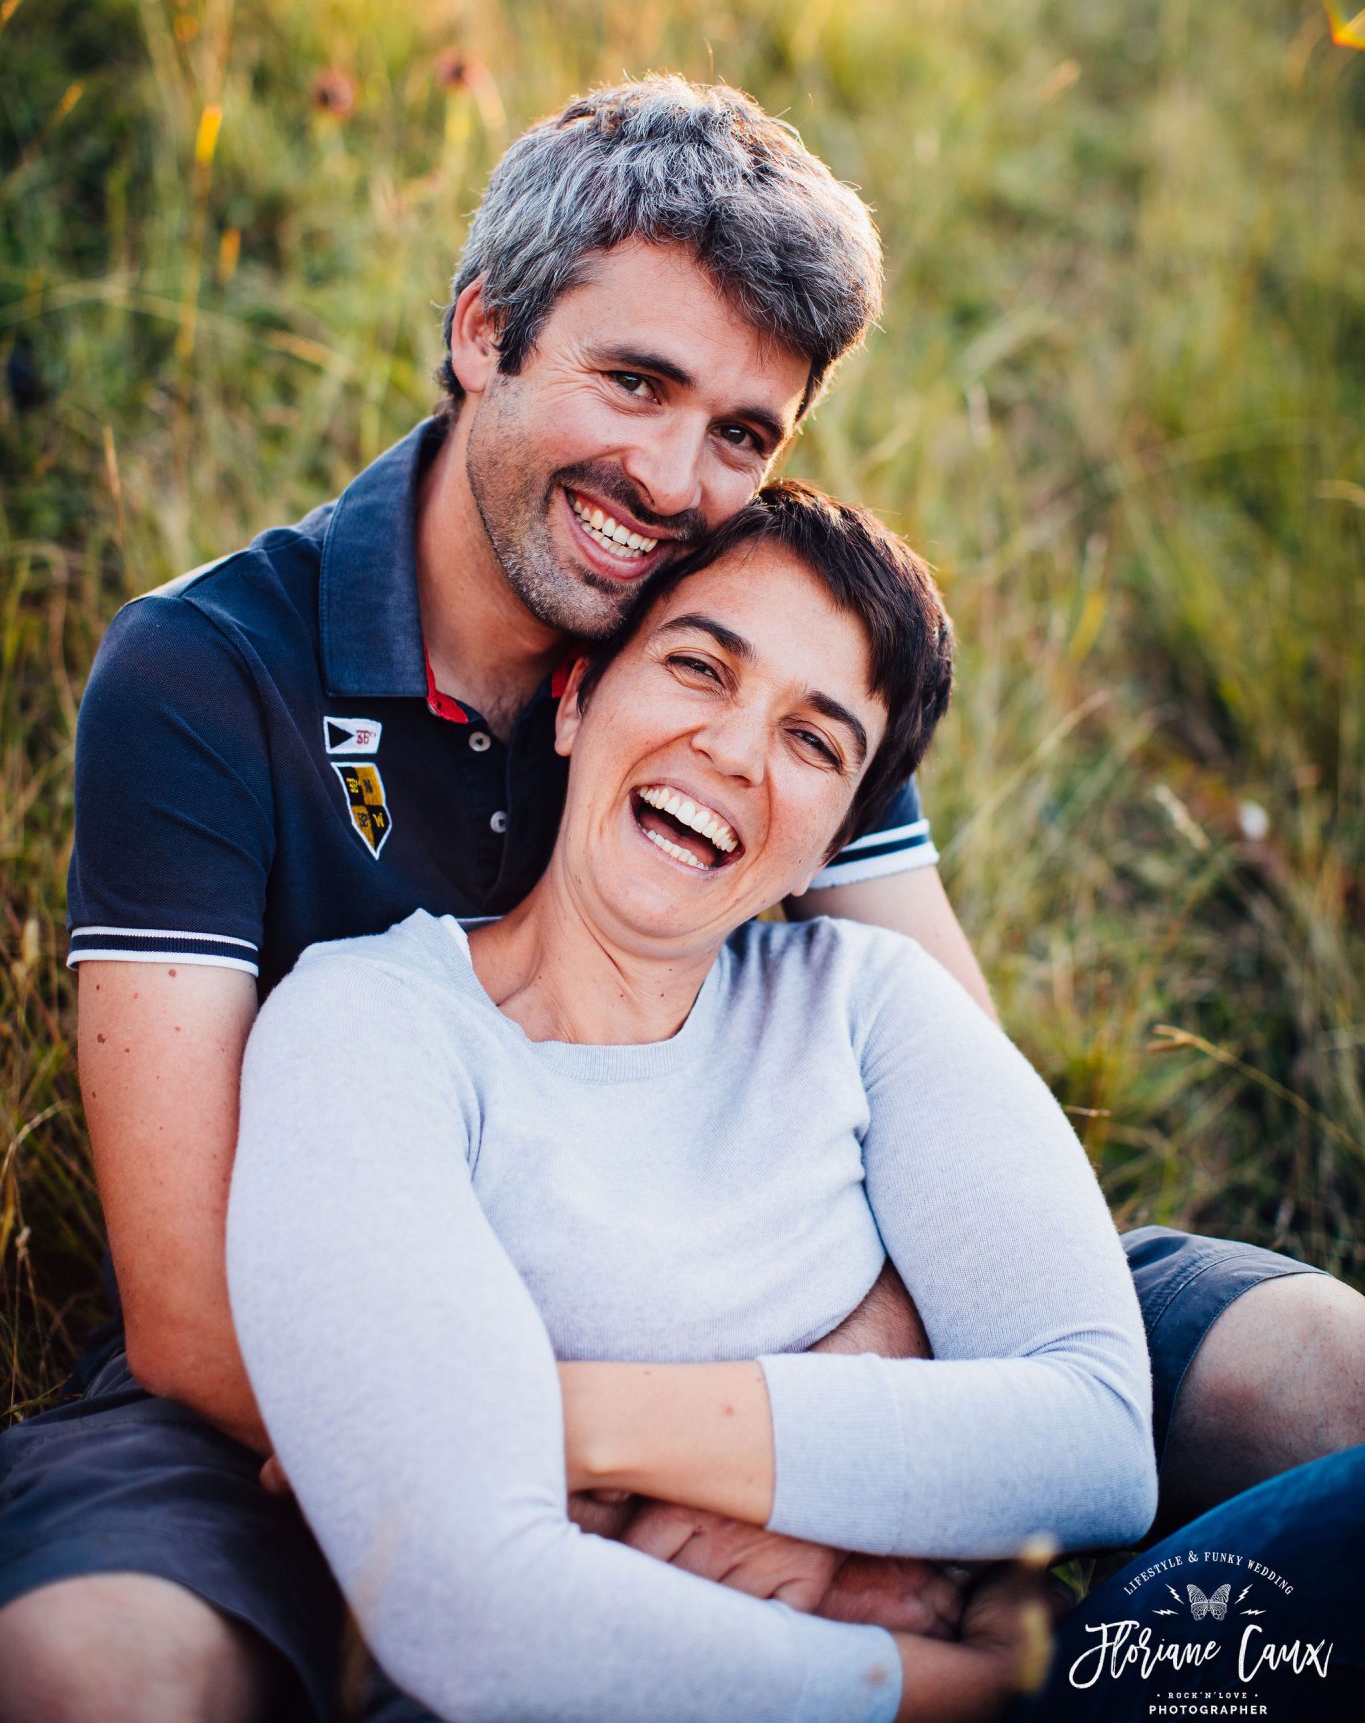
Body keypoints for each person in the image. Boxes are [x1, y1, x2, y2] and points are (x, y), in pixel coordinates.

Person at [0, 78, 1360, 1723]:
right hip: (344, 1339)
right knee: (97, 1670)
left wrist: (780, 1442)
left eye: (742, 431)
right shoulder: (210, 674)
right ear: (483, 331)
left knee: (1322, 1378)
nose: (669, 478)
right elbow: (196, 1313)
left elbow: (966, 1108)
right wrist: (541, 1489)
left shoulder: (740, 645)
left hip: (784, 1256)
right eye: (633, 380)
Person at [226, 482, 1158, 1723]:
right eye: (699, 667)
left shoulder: (865, 1004)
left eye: (814, 740)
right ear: (574, 702)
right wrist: (955, 1688)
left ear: (836, 842)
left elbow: (1098, 1435)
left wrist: (566, 1422)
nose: (732, 748)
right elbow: (466, 1604)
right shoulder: (371, 1025)